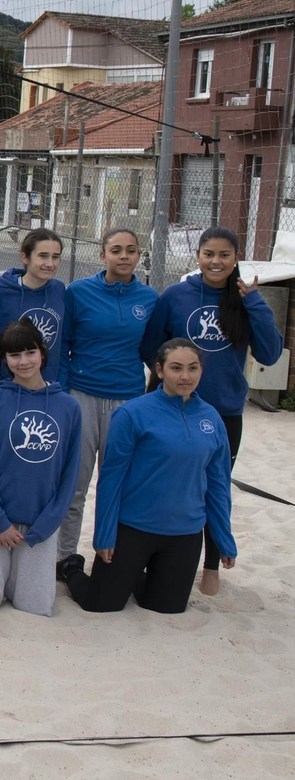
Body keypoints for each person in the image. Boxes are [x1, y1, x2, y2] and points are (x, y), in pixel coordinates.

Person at [142, 226, 280, 594]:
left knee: (215, 489)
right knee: (165, 483)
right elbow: (151, 348)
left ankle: (212, 566)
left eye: (224, 255)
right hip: (170, 408)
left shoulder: (245, 301)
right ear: (198, 257)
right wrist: (172, 385)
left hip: (223, 412)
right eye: (209, 254)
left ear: (236, 258)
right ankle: (154, 558)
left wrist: (254, 302)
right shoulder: (175, 295)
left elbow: (270, 354)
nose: (215, 261)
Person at [65, 338, 236, 613]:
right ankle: (71, 568)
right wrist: (105, 535)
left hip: (184, 534)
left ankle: (135, 578)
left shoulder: (212, 418)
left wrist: (224, 539)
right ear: (159, 370)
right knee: (100, 605)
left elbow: (218, 486)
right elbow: (111, 479)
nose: (185, 376)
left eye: (193, 368)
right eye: (176, 368)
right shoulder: (132, 413)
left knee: (167, 608)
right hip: (133, 529)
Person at [0, 319, 82, 617]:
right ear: (4, 360)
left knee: (34, 606)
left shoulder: (68, 407)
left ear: (42, 353)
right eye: (14, 355)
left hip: (39, 522)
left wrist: (46, 525)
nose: (23, 361)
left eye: (30, 352)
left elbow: (70, 475)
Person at [54, 228, 157, 572]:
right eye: (116, 250)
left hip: (128, 400)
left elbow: (153, 352)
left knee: (120, 484)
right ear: (103, 255)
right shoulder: (79, 292)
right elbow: (63, 346)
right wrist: (67, 393)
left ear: (139, 255)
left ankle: (112, 555)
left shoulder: (149, 298)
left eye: (131, 250)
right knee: (75, 484)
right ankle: (64, 556)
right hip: (82, 396)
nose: (124, 256)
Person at [0, 228, 66, 392]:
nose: (50, 263)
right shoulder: (0, 292)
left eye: (55, 257)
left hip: (44, 388)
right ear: (25, 257)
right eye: (43, 256)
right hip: (6, 388)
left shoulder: (59, 290)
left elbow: (61, 343)